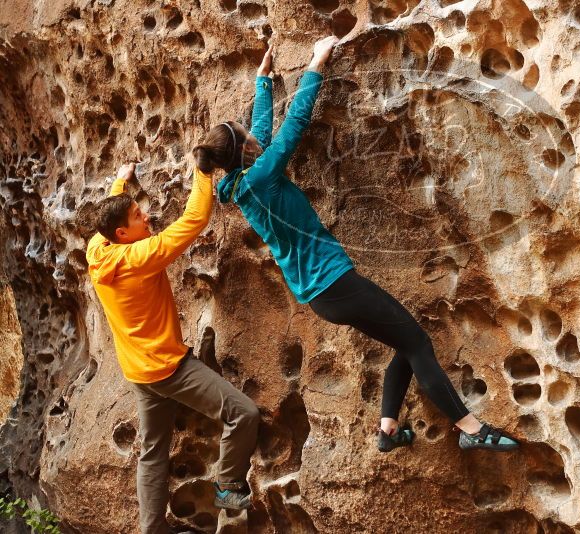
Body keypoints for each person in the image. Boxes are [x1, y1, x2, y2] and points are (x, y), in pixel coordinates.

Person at [193, 36, 518, 453]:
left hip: (321, 295)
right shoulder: (262, 176)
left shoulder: (240, 184)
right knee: (418, 343)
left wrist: (264, 82)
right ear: (241, 150)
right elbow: (293, 124)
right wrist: (316, 63)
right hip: (337, 283)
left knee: (405, 341)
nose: (250, 130)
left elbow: (257, 134)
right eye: (241, 132)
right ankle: (471, 429)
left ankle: (387, 430)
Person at [86, 162, 259, 534]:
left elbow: (113, 211)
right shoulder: (139, 257)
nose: (145, 215)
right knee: (243, 413)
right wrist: (203, 169)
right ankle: (228, 491)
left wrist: (122, 180)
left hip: (137, 371)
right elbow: (194, 220)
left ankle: (152, 528)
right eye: (138, 216)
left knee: (153, 453)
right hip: (169, 370)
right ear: (123, 233)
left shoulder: (98, 249)